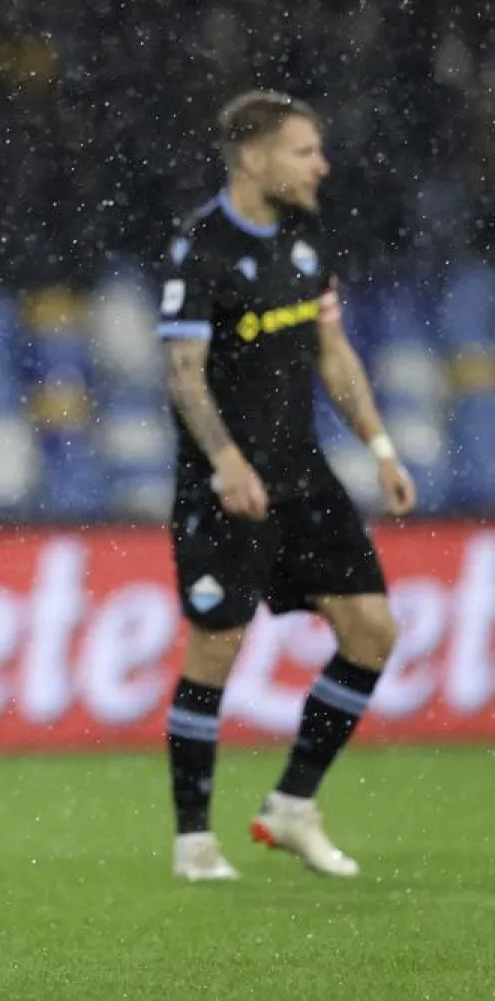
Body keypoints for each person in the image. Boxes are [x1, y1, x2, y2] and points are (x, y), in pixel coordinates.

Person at [157, 90, 417, 882]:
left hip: (304, 476)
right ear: (254, 157)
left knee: (372, 630)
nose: (320, 165)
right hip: (222, 485)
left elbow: (331, 352)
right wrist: (228, 460)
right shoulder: (199, 246)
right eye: (304, 150)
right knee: (218, 647)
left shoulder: (307, 235)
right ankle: (194, 838)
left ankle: (292, 804)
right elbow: (183, 373)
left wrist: (378, 444)